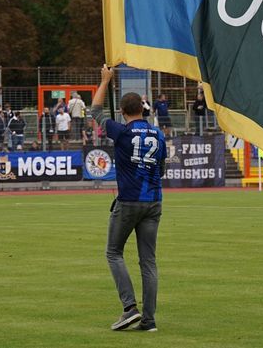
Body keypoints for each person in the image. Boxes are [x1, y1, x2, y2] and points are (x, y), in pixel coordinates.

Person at [90, 65, 163, 333]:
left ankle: (130, 307)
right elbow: (161, 168)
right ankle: (150, 320)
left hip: (129, 200)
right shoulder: (158, 134)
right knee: (149, 262)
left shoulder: (121, 132)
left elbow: (95, 111)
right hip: (154, 202)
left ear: (122, 112)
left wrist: (105, 80)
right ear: (143, 110)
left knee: (113, 252)